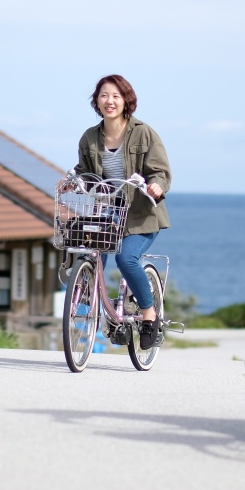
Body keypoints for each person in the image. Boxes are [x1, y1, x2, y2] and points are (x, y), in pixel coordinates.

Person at [74, 75, 172, 350]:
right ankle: (100, 310)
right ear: (97, 101)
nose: (110, 101)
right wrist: (73, 180)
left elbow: (160, 171)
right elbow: (85, 172)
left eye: (116, 96)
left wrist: (156, 186)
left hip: (142, 215)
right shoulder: (90, 137)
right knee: (90, 253)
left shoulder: (144, 133)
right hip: (107, 212)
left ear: (126, 100)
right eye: (104, 95)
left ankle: (149, 315)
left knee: (126, 259)